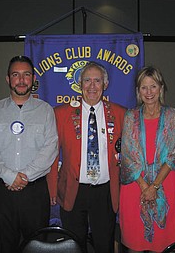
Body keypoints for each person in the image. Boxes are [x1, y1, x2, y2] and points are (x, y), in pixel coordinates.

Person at [0, 55, 58, 253]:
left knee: (38, 246)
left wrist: (23, 177)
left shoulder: (46, 110)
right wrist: (9, 175)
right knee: (5, 246)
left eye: (26, 75)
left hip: (35, 191)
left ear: (33, 79)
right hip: (2, 191)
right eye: (16, 75)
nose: (21, 80)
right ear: (8, 79)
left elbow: (50, 148)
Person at [47, 61, 126, 253]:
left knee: (103, 244)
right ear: (80, 84)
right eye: (87, 80)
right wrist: (52, 189)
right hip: (73, 189)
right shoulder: (61, 113)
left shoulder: (120, 113)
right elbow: (52, 155)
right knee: (74, 245)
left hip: (105, 192)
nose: (92, 86)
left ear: (105, 85)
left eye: (97, 81)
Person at [119, 66, 175, 253]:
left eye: (153, 86)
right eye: (144, 87)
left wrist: (154, 186)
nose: (149, 92)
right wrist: (144, 187)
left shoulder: (173, 116)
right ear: (138, 91)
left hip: (164, 182)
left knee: (163, 245)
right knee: (134, 243)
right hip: (135, 185)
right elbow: (127, 156)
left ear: (161, 88)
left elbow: (172, 155)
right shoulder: (130, 116)